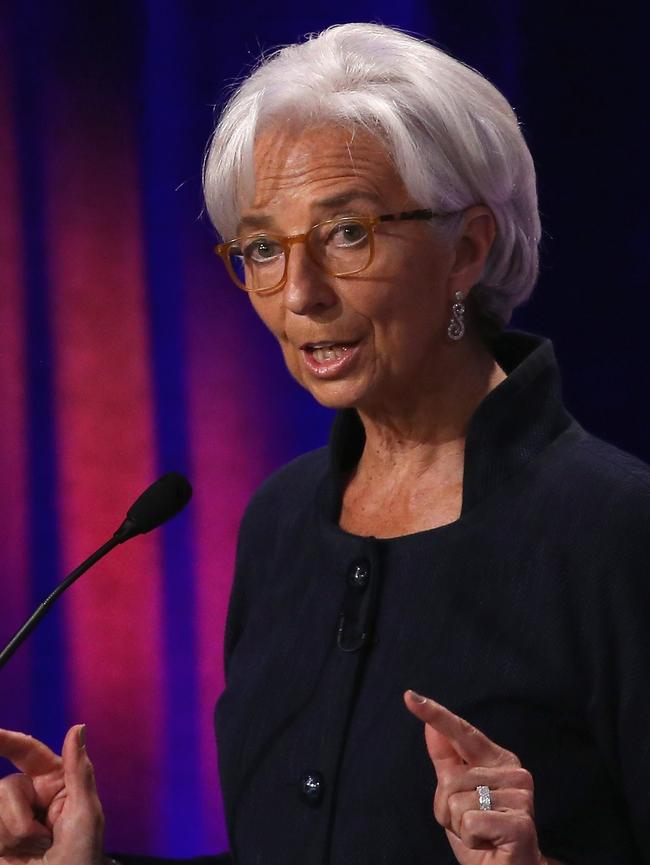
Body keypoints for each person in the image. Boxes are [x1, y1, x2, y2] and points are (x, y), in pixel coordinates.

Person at [1, 20, 649, 865]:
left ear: (469, 249)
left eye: (348, 233)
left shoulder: (613, 528)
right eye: (264, 247)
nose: (299, 293)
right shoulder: (283, 520)